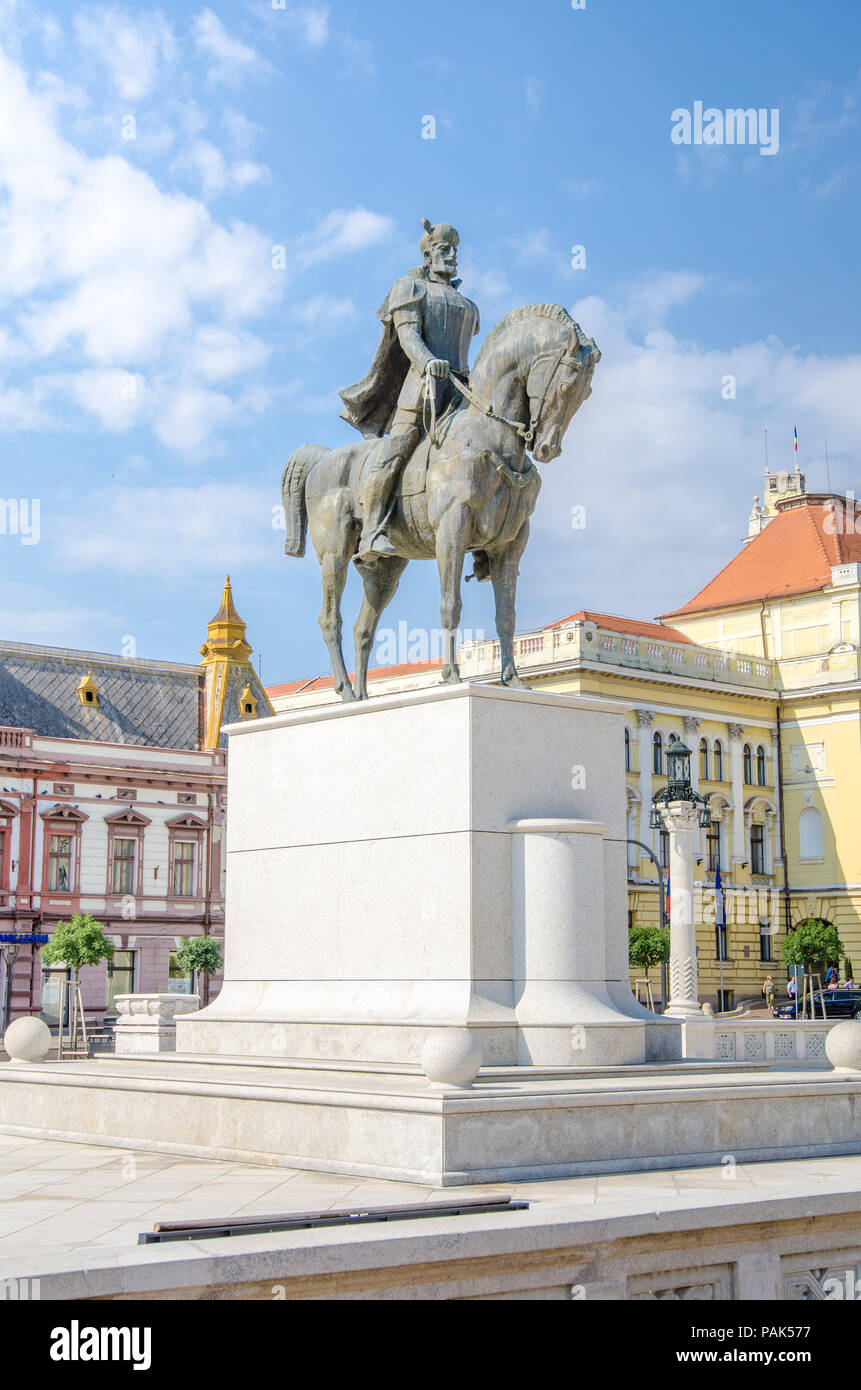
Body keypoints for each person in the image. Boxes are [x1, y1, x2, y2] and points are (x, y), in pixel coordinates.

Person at [339, 219, 480, 563]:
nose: (452, 256)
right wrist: (429, 362)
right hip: (423, 387)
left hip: (461, 392)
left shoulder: (468, 304)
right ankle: (372, 530)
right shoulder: (410, 289)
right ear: (428, 254)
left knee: (487, 449)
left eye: (455, 250)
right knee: (397, 449)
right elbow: (409, 336)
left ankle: (486, 545)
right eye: (444, 249)